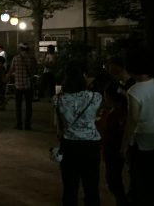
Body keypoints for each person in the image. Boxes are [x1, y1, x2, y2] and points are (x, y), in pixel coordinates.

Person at [122, 48, 154, 206]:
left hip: (143, 142)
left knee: (141, 181)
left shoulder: (134, 90)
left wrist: (124, 146)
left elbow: (132, 120)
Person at [53, 61, 102, 206]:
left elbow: (59, 125)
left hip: (70, 144)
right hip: (91, 144)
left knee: (70, 187)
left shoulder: (58, 99)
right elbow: (96, 116)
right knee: (92, 186)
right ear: (83, 77)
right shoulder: (96, 97)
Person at [99, 81, 128, 206]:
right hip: (118, 150)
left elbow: (109, 131)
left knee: (113, 181)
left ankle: (122, 202)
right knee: (115, 180)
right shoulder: (122, 111)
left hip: (114, 151)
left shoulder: (115, 114)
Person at [8, 43, 37, 130]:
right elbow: (33, 70)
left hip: (18, 86)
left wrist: (8, 76)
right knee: (28, 106)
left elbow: (11, 70)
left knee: (18, 106)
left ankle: (19, 124)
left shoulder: (15, 58)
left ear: (20, 49)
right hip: (28, 85)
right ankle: (27, 125)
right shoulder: (31, 59)